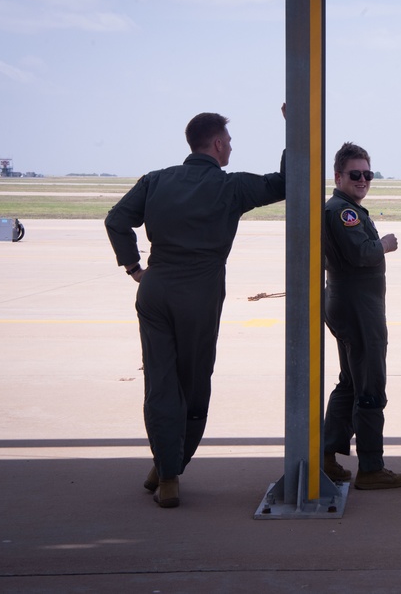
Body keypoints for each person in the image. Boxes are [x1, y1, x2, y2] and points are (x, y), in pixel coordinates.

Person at [105, 109, 287, 508]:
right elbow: (287, 182)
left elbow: (117, 219)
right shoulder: (231, 187)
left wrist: (134, 266)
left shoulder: (156, 180)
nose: (232, 148)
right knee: (192, 385)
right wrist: (294, 126)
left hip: (155, 287)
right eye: (230, 141)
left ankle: (164, 463)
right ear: (218, 144)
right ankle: (171, 473)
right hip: (199, 293)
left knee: (159, 383)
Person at [321, 142, 401, 490]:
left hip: (349, 306)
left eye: (367, 174)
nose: (363, 180)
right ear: (339, 176)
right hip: (359, 311)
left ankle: (327, 455)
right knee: (370, 385)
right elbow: (362, 253)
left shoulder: (345, 208)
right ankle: (371, 467)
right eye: (355, 174)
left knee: (350, 383)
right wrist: (384, 244)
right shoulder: (344, 212)